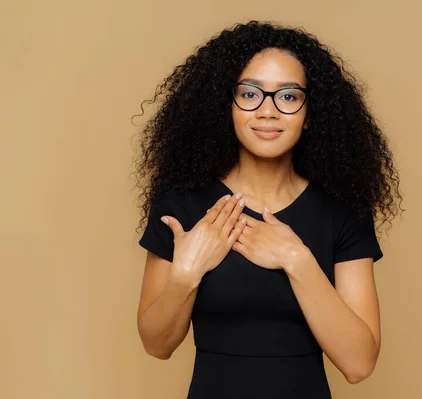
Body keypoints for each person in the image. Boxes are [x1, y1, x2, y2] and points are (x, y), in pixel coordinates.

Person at [133, 20, 403, 399]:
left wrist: (296, 258)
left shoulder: (343, 211)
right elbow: (156, 346)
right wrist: (186, 273)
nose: (268, 111)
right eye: (250, 94)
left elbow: (359, 365)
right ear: (226, 105)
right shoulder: (181, 203)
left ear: (311, 114)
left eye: (288, 97)